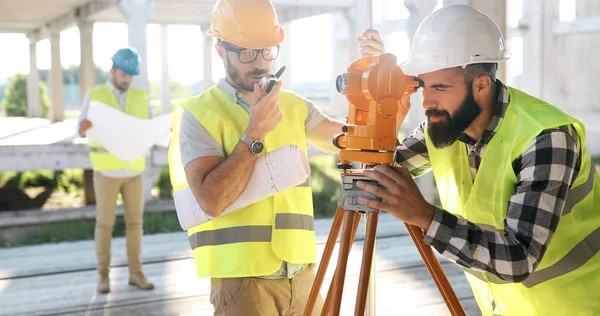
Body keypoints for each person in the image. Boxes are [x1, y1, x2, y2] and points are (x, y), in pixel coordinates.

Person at [355, 5, 600, 316]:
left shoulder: (545, 137)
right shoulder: (443, 126)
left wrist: (425, 216)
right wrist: (387, 119)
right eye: (422, 86)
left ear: (481, 85)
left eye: (440, 87)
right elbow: (371, 176)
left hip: (579, 306)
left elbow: (518, 257)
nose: (427, 102)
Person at [167, 0, 388, 314]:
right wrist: (254, 133)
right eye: (247, 52)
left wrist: (376, 79)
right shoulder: (200, 113)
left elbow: (362, 140)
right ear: (220, 49)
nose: (259, 62)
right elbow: (211, 200)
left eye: (267, 50)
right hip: (245, 285)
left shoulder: (295, 106)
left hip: (304, 277)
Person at [77, 47, 155, 294]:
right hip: (106, 172)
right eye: (123, 74)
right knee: (105, 224)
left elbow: (149, 128)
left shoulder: (141, 96)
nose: (127, 80)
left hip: (133, 170)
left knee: (136, 223)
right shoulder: (96, 95)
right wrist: (84, 127)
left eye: (131, 75)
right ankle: (103, 276)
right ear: (112, 70)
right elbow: (80, 128)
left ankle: (136, 273)